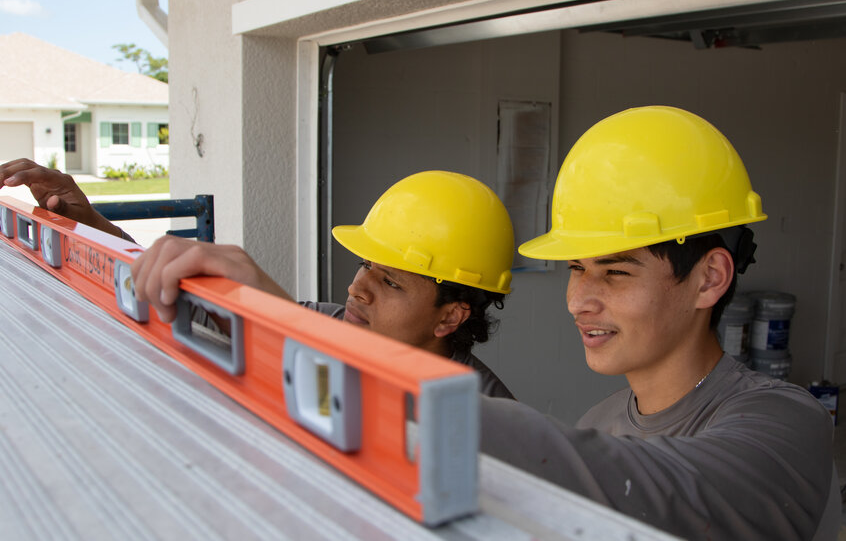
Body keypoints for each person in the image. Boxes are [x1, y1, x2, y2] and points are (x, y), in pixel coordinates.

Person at [478, 106, 839, 540]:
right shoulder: (600, 420)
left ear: (709, 279)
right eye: (576, 268)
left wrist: (453, 423)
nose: (577, 302)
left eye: (616, 272)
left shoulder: (788, 421)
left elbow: (680, 498)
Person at [1, 161, 516, 397]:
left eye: (393, 283)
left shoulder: (486, 415)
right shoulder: (326, 320)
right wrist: (89, 225)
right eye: (367, 267)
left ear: (451, 315)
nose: (359, 289)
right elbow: (164, 296)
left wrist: (273, 304)